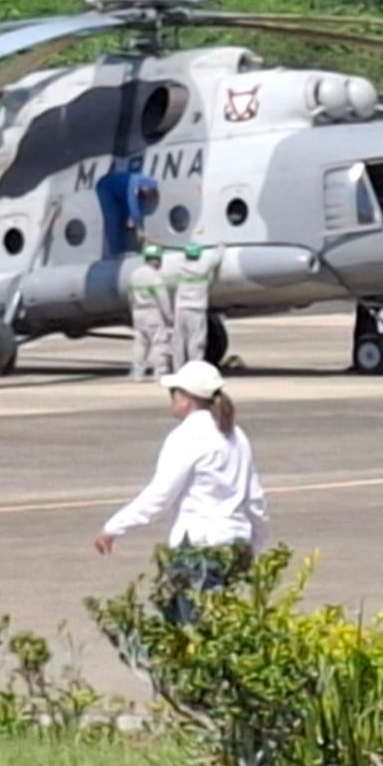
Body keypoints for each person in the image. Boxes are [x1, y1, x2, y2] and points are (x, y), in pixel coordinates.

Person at [95, 360, 268, 621]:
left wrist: (114, 527)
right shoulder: (236, 435)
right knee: (224, 630)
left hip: (199, 546)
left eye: (173, 393)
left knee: (195, 633)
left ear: (186, 398)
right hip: (233, 544)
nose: (171, 399)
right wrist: (255, 543)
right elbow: (254, 498)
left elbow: (160, 495)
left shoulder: (187, 436)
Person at [172, 242, 220, 369]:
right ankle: (195, 368)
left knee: (179, 341)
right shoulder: (203, 267)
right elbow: (216, 258)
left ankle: (178, 369)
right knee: (196, 341)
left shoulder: (180, 266)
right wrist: (220, 247)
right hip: (197, 309)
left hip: (181, 308)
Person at [129, 245, 174, 380]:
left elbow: (130, 298)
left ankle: (137, 373)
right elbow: (163, 299)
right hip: (152, 312)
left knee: (140, 343)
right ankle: (160, 372)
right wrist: (169, 316)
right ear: (156, 260)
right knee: (159, 342)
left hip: (137, 312)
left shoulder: (134, 275)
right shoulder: (155, 277)